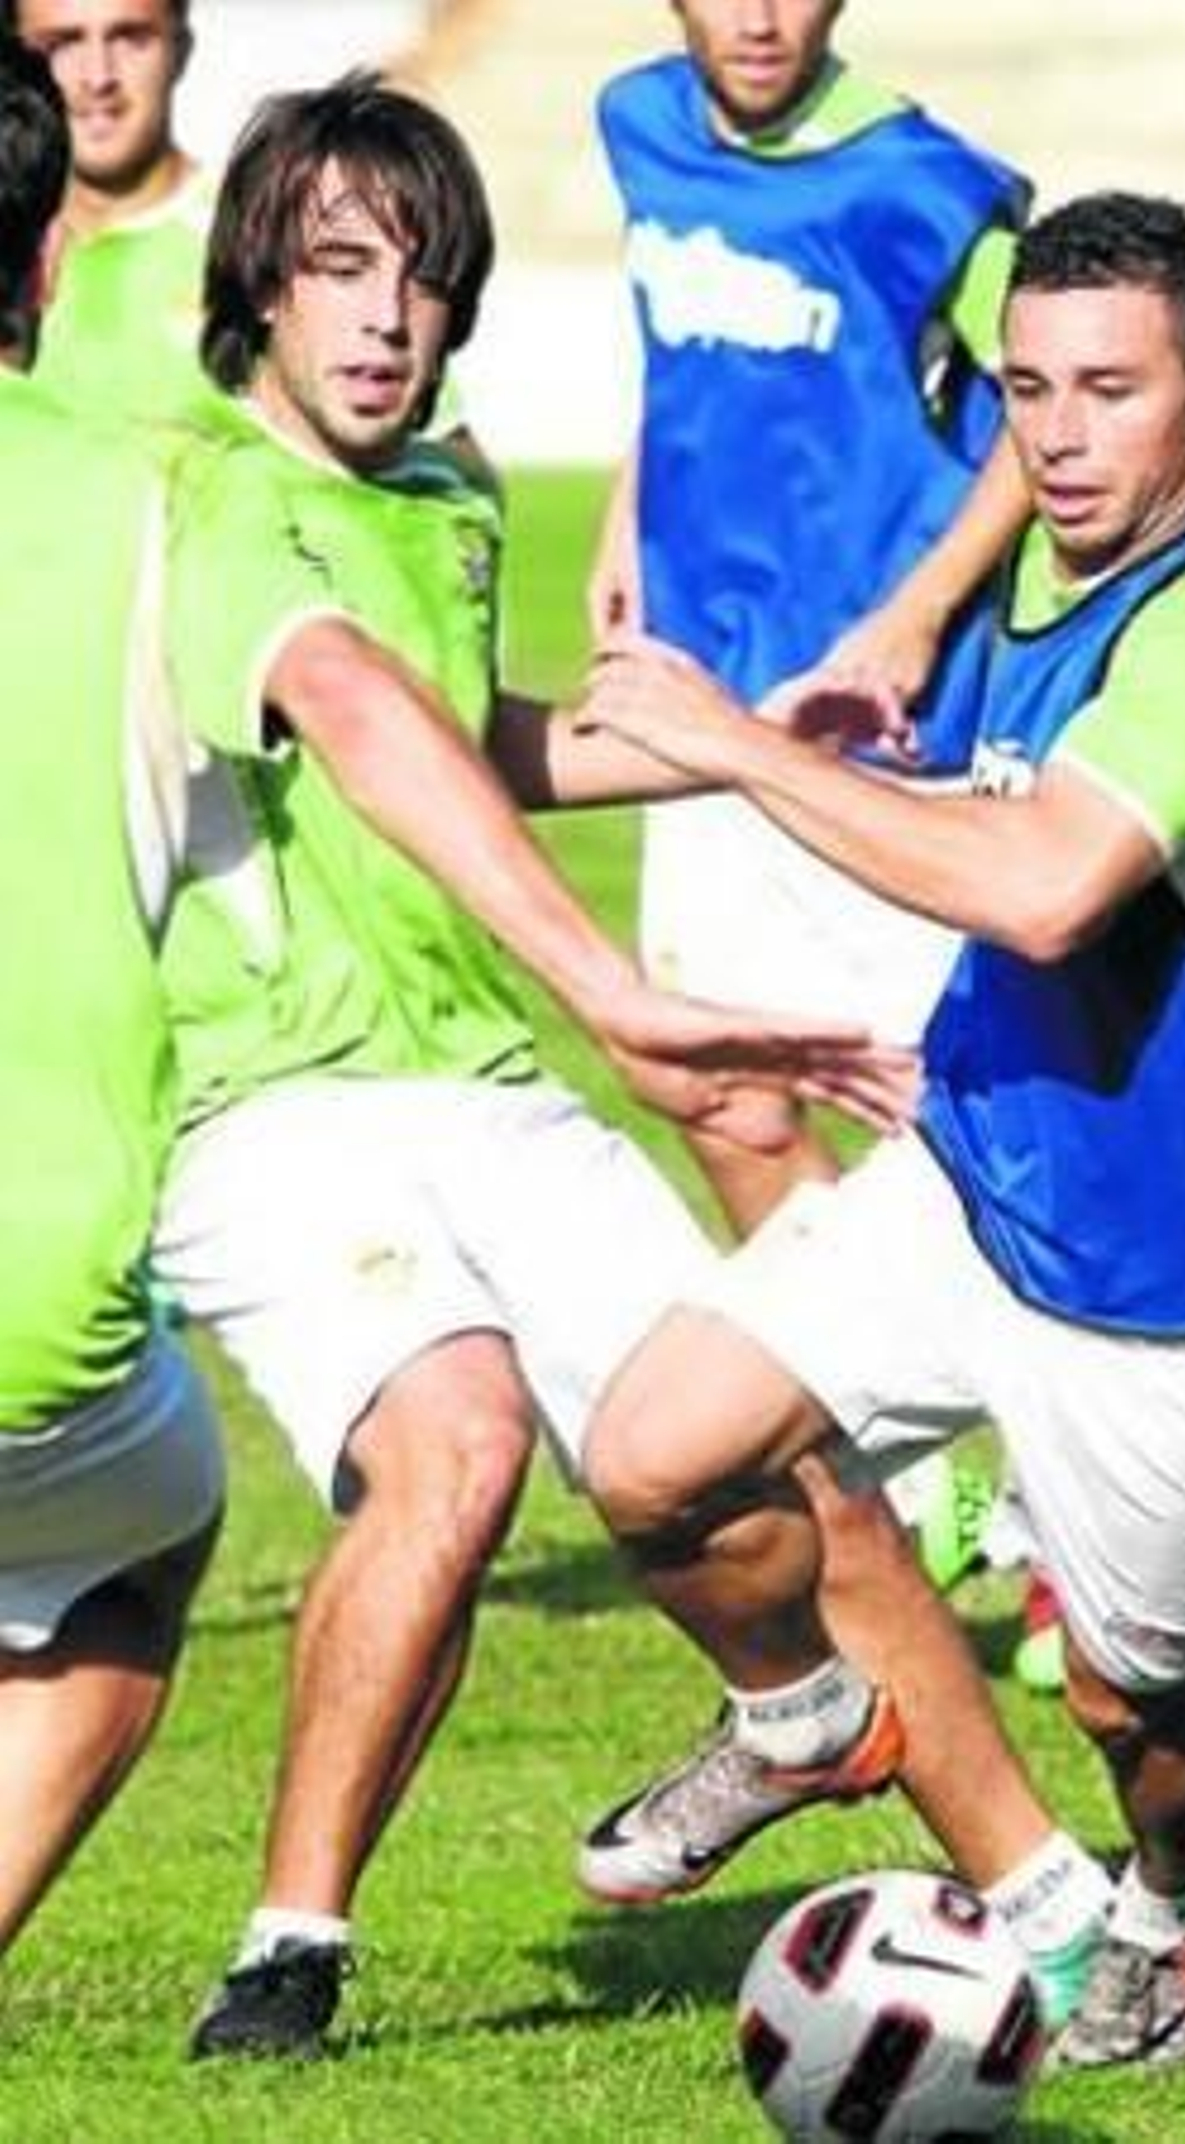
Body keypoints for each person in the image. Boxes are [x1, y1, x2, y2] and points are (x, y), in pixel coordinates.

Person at [577, 191, 1185, 2068]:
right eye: (1029, 388)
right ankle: (804, 1716)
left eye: (1110, 390)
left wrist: (741, 747)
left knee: (1143, 1700)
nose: (1057, 433)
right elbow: (874, 755)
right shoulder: (1032, 579)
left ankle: (1181, 1890)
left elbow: (1046, 887)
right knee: (654, 1456)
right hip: (981, 1176)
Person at [150, 73, 915, 2061]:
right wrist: (613, 983)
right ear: (259, 283)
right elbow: (331, 692)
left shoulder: (453, 487)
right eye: (337, 271)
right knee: (462, 1442)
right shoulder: (204, 491)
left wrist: (750, 737)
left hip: (481, 1081)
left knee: (775, 1461)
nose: (383, 319)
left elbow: (465, 745)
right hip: (271, 1104)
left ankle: (881, 1779)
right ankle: (288, 1953)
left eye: (420, 279)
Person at [595, 0, 1033, 1585]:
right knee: (721, 1087)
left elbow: (1037, 410)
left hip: (868, 734)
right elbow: (676, 359)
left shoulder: (925, 183)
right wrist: (627, 524)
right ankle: (901, 1490)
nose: (760, 14)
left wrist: (915, 615)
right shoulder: (634, 123)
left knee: (949, 1118)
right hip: (699, 707)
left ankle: (1065, 1485)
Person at [0, 30, 224, 1970]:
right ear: (49, 267)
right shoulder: (162, 507)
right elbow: (377, 732)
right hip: (41, 1311)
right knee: (146, 1545)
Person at [3, 0, 220, 425]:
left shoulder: (261, 243)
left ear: (183, 49)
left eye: (131, 38)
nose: (98, 77)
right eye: (62, 43)